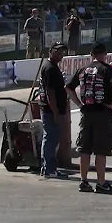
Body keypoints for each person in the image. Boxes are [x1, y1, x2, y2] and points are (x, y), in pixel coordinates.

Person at [65, 43, 112, 194]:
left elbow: (68, 87)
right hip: (103, 112)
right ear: (105, 54)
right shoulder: (108, 69)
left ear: (91, 54)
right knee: (101, 150)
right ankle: (101, 182)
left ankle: (84, 181)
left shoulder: (83, 69)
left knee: (85, 149)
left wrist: (79, 104)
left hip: (87, 112)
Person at [36, 42, 69, 179]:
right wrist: (55, 112)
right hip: (50, 111)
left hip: (52, 110)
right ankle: (48, 169)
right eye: (58, 52)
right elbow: (50, 93)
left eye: (62, 52)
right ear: (51, 51)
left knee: (52, 139)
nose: (61, 55)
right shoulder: (49, 68)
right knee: (50, 139)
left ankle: (49, 168)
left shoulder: (52, 67)